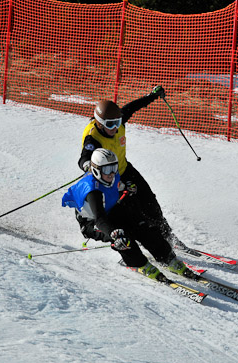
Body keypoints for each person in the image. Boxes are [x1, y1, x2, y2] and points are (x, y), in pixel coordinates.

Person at [77, 85, 185, 249]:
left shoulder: (117, 123)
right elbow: (84, 157)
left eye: (117, 122)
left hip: (125, 169)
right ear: (99, 124)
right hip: (109, 178)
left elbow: (132, 107)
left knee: (150, 203)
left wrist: (152, 96)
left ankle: (167, 236)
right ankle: (135, 244)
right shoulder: (93, 137)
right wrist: (87, 166)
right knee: (130, 211)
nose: (115, 128)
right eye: (110, 124)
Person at [63, 148, 188, 280]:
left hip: (110, 210)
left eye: (114, 168)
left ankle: (166, 256)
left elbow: (118, 185)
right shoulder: (92, 191)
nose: (111, 173)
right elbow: (100, 219)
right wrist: (113, 233)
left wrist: (128, 187)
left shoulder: (111, 176)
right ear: (96, 170)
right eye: (106, 170)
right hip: (92, 222)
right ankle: (139, 263)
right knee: (122, 237)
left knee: (141, 225)